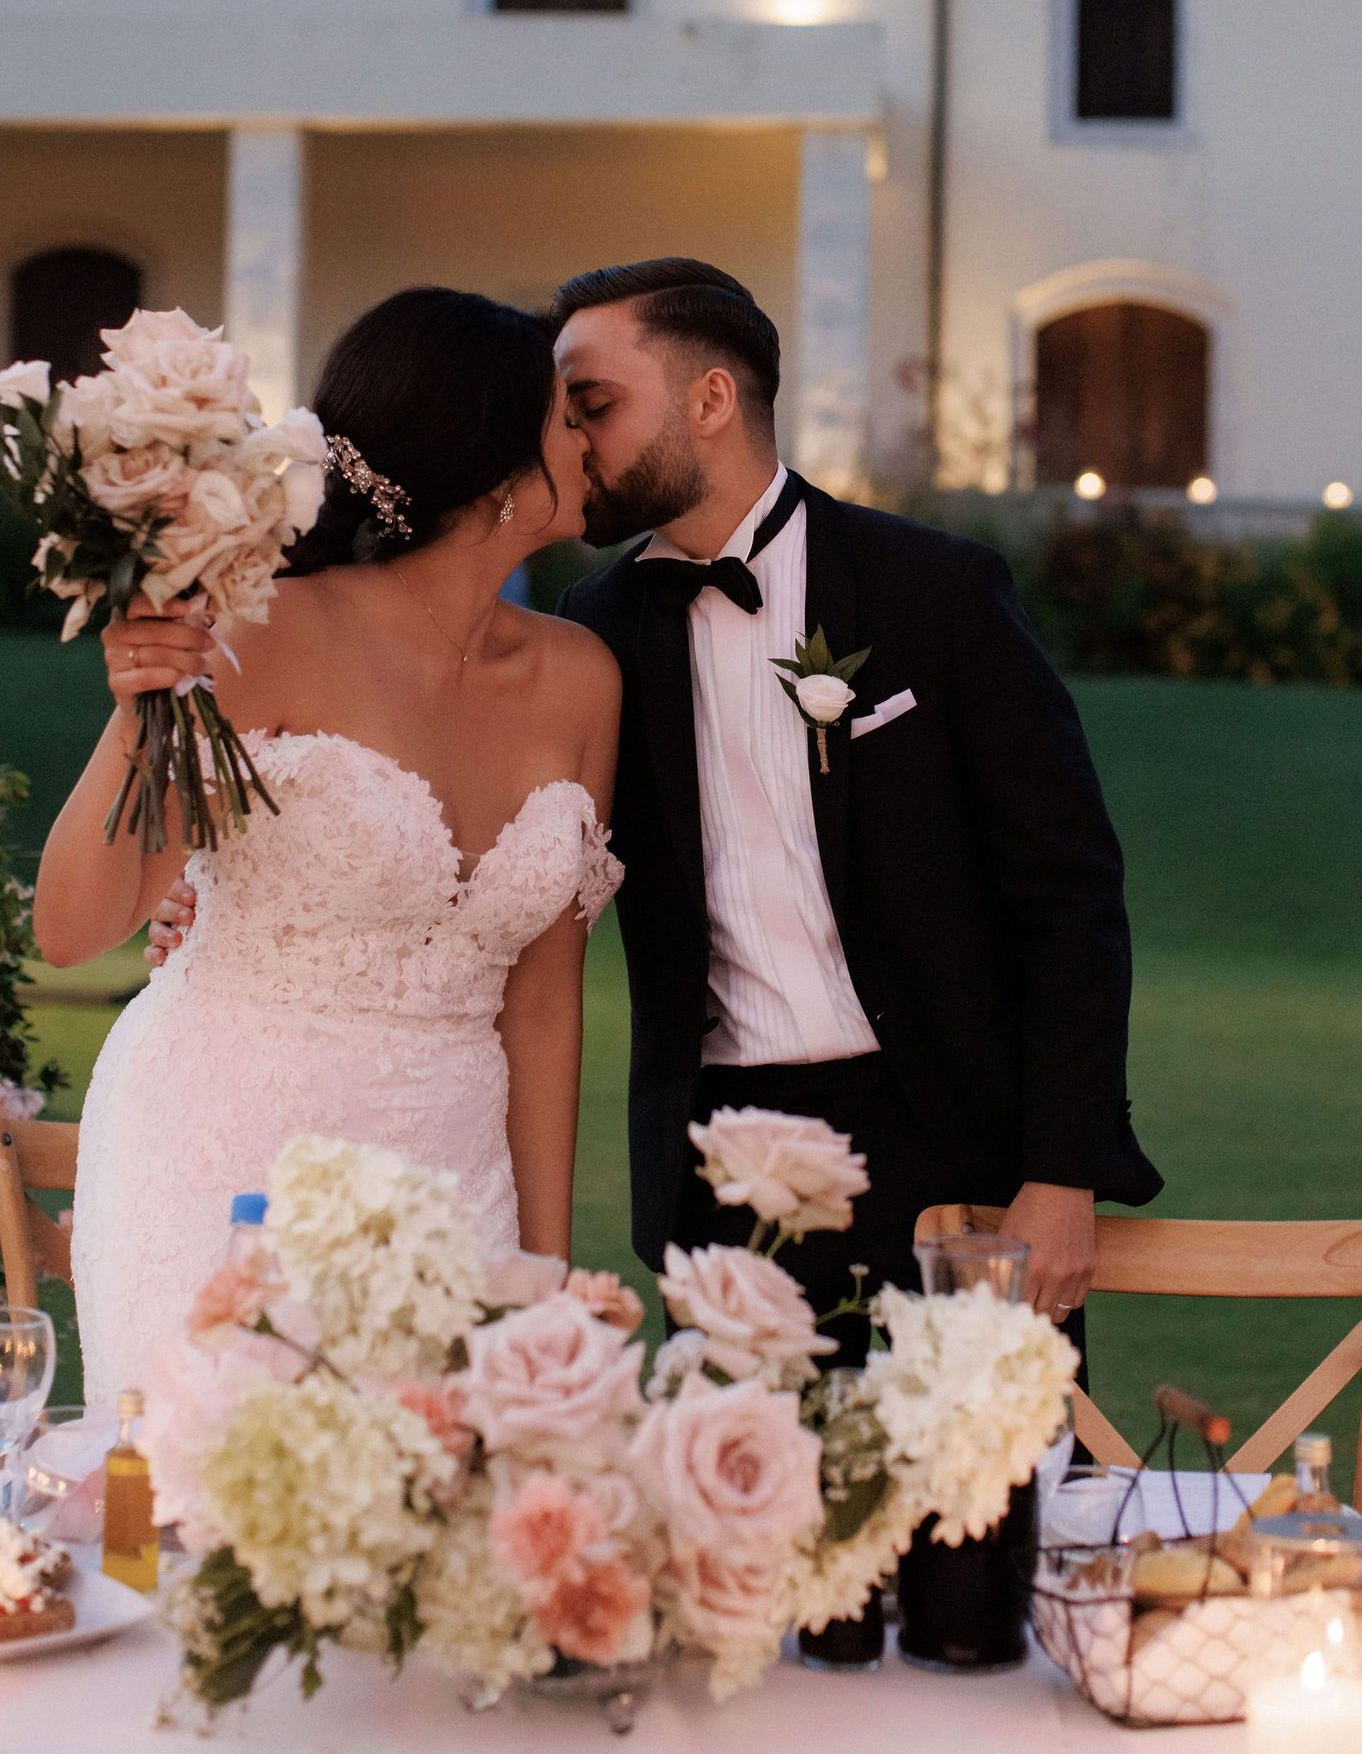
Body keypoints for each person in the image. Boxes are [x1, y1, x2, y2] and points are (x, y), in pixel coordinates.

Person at [551, 257, 1162, 1350]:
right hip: (719, 1166)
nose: (570, 439)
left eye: (593, 405)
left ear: (709, 399)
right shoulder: (592, 630)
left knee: (985, 1506)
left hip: (949, 1146)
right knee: (741, 1508)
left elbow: (1066, 892)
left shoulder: (933, 589)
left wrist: (1060, 1170)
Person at [40, 288, 622, 1405]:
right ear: (494, 463)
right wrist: (139, 708)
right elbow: (71, 930)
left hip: (456, 1178)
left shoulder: (581, 678)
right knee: (216, 1533)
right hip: (219, 1157)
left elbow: (544, 999)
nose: (590, 440)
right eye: (565, 417)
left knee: (443, 1543)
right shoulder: (262, 629)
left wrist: (543, 1280)